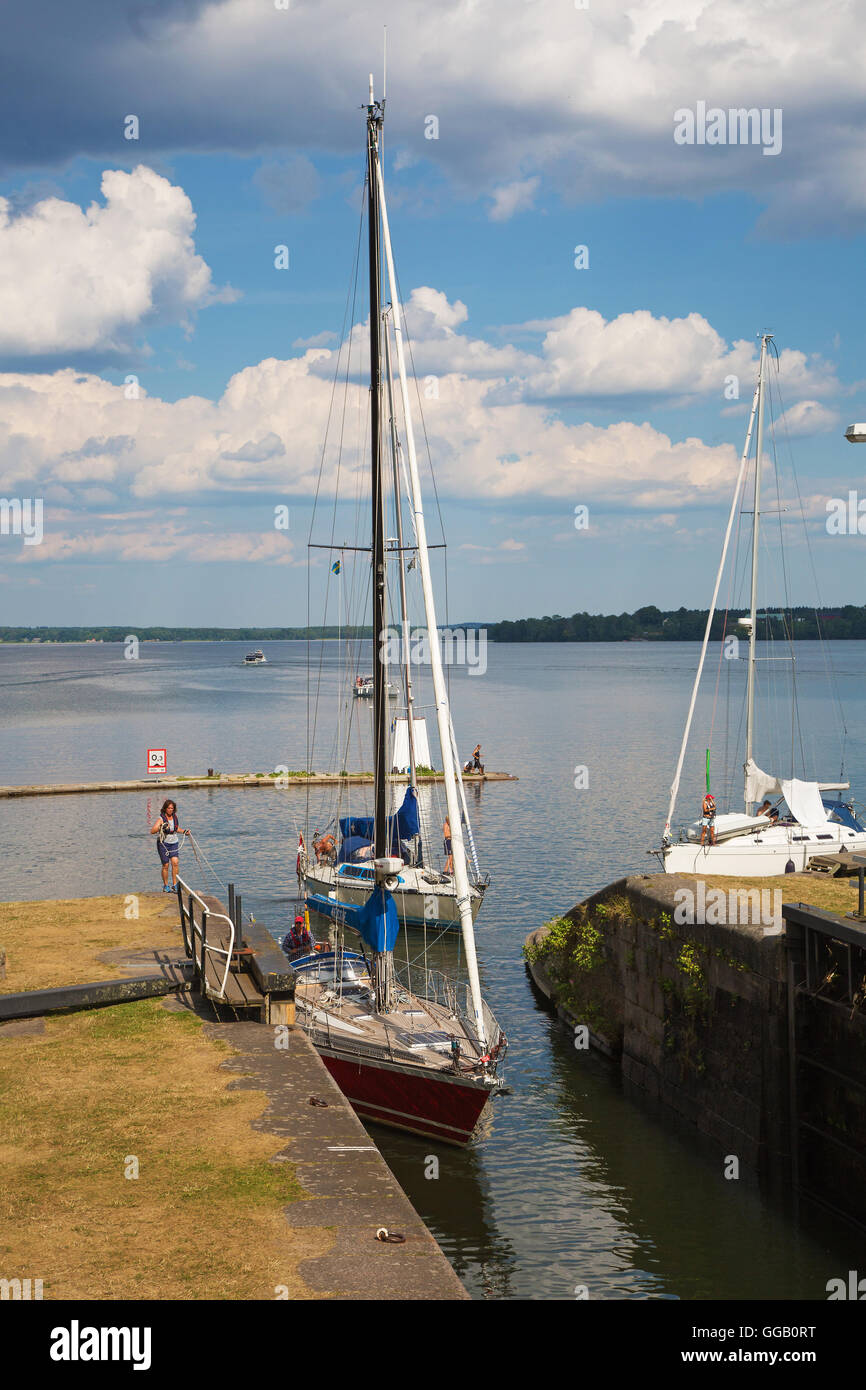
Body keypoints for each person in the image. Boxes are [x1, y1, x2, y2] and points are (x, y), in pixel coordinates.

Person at [150, 799, 190, 892]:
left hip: (174, 843)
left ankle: (175, 884)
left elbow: (176, 829)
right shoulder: (161, 819)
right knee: (166, 865)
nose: (170, 810)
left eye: (172, 808)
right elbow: (152, 831)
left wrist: (184, 831)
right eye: (169, 808)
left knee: (175, 862)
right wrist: (161, 827)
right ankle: (166, 885)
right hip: (163, 844)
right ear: (165, 809)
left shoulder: (175, 817)